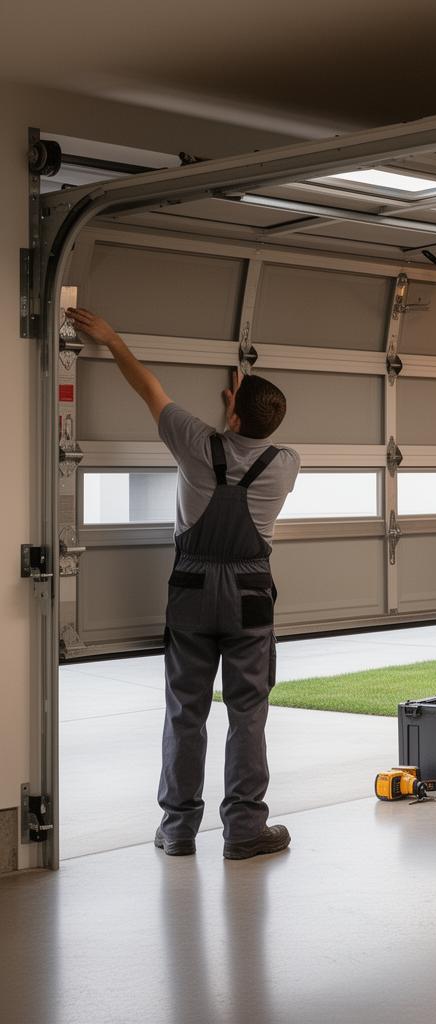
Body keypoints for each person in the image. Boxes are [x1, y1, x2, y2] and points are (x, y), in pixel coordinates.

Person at [67, 308, 300, 858]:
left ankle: (177, 830)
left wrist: (112, 337)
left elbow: (150, 388)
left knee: (185, 710)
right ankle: (244, 829)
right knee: (248, 712)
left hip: (192, 591)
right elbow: (246, 450)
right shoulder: (285, 462)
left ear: (233, 414)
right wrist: (239, 421)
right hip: (249, 597)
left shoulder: (196, 443)